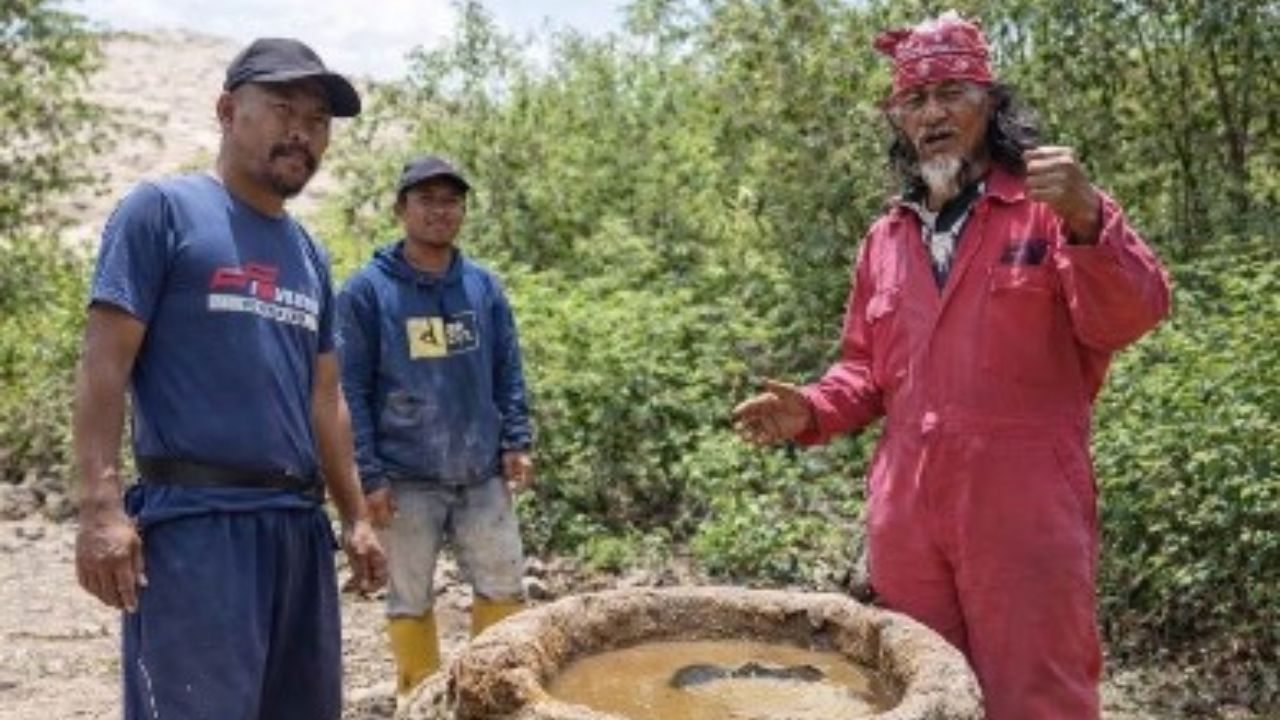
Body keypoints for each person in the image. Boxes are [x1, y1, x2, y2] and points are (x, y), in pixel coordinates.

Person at [731, 12, 1170, 720]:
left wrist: (1090, 218)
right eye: (914, 100)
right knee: (922, 695)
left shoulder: (1048, 210)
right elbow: (867, 373)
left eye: (952, 93)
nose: (932, 114)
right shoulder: (887, 237)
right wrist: (812, 407)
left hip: (1023, 505)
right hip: (909, 513)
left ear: (991, 104)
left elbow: (1133, 315)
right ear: (897, 119)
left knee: (1037, 695)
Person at [73, 37, 387, 720]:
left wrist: (356, 516)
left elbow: (323, 396)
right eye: (282, 109)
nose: (302, 132)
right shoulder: (160, 211)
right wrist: (100, 507)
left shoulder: (309, 254)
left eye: (318, 121)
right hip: (197, 527)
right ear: (226, 109)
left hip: (297, 533)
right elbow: (105, 360)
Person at [337, 155, 534, 699]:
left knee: (503, 584)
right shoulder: (366, 293)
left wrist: (516, 438)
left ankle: (490, 699)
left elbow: (506, 368)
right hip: (404, 479)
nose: (439, 211)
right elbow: (348, 389)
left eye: (451, 201)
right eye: (426, 200)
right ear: (402, 209)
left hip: (481, 472)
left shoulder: (483, 288)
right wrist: (368, 475)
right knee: (409, 596)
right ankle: (417, 698)